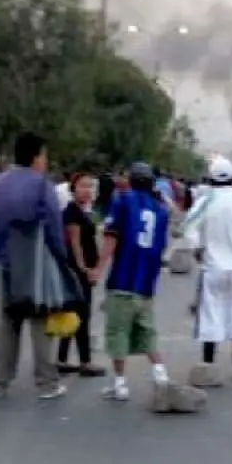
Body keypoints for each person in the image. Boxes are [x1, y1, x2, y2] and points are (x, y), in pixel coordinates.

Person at [0, 133, 68, 400]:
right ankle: (46, 383)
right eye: (44, 156)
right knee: (40, 321)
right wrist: (61, 259)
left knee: (8, 322)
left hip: (7, 261)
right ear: (36, 157)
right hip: (36, 263)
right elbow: (54, 227)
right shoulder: (42, 185)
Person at [93, 162, 171, 401]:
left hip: (123, 279)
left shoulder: (122, 201)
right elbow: (161, 247)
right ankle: (161, 375)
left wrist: (98, 268)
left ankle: (120, 384)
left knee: (118, 332)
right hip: (146, 282)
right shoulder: (160, 210)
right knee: (147, 333)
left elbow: (111, 238)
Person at [184, 157, 232, 382]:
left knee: (211, 314)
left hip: (214, 268)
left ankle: (208, 364)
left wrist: (197, 249)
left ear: (210, 178)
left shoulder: (205, 201)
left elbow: (190, 227)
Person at [57, 172, 106, 377]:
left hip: (79, 270)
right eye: (83, 186)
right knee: (82, 315)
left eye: (90, 186)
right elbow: (75, 244)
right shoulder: (72, 213)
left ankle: (62, 358)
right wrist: (84, 269)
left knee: (73, 314)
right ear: (73, 189)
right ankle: (85, 361)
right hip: (77, 271)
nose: (87, 190)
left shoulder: (83, 212)